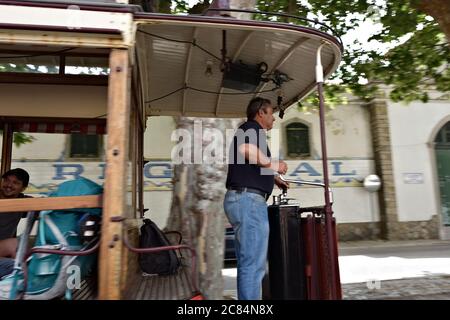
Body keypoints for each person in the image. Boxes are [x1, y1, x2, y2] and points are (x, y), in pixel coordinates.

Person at [224, 97, 289, 300]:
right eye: (271, 113)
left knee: (249, 262)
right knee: (253, 264)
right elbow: (246, 152)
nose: (274, 119)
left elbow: (252, 164)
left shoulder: (251, 132)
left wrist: (275, 178)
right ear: (261, 113)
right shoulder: (251, 129)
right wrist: (275, 164)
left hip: (244, 200)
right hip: (249, 201)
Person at [0, 168, 30, 259]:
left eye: (15, 183)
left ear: (23, 188)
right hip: (6, 247)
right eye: (6, 180)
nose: (9, 185)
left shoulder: (23, 202)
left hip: (3, 249)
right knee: (14, 244)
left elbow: (43, 208)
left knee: (20, 245)